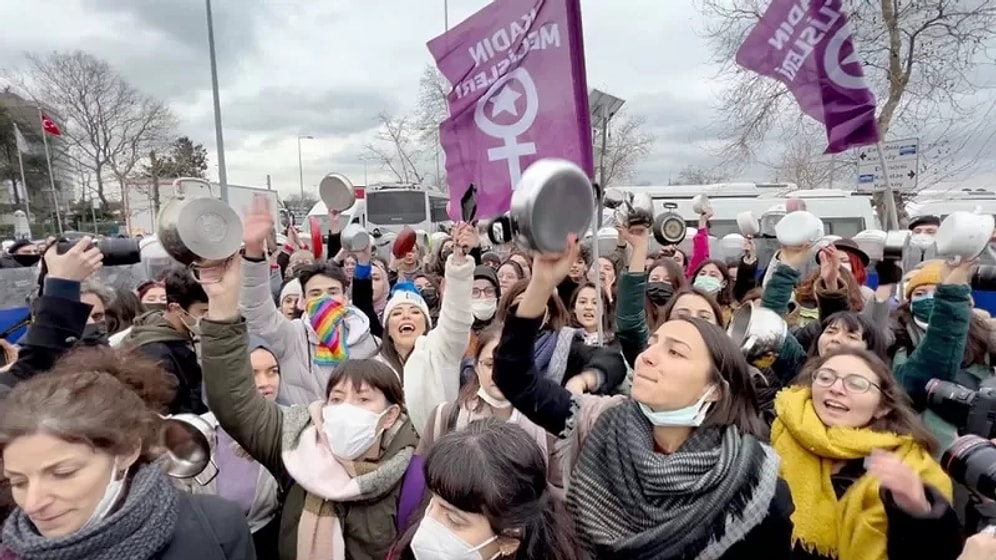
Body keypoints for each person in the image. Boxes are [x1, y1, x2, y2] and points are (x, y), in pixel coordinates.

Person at [493, 235, 793, 559]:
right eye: (653, 343)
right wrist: (541, 283)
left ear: (714, 388)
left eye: (675, 352)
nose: (648, 357)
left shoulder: (755, 492)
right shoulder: (600, 423)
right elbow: (515, 377)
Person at [199, 256, 423, 560]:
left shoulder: (412, 475)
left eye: (363, 399)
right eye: (337, 398)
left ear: (391, 414)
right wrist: (222, 306)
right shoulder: (297, 444)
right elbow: (233, 402)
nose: (346, 408)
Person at [0, 369, 255, 559]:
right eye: (18, 481)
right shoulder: (11, 551)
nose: (32, 504)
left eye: (63, 473)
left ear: (126, 451)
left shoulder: (217, 526)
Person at [772, 348, 962, 559]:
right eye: (825, 377)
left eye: (856, 384)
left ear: (882, 407)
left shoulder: (914, 467)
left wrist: (917, 514)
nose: (836, 388)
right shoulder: (776, 432)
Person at [240, 196, 378, 405]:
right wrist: (254, 253)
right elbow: (257, 311)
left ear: (345, 299)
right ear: (302, 302)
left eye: (332, 291)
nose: (324, 299)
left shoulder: (369, 342)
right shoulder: (291, 336)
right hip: (301, 433)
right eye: (315, 294)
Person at [388, 419, 579, 560]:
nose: (428, 524)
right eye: (433, 501)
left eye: (454, 520)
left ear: (508, 540)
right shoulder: (406, 549)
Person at [178, 336, 282, 559]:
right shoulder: (191, 434)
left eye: (272, 371)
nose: (265, 382)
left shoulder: (289, 429)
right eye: (252, 373)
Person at [124, 266, 209, 415]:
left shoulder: (183, 336)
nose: (211, 317)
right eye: (204, 311)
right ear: (176, 308)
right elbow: (172, 410)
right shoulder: (156, 355)